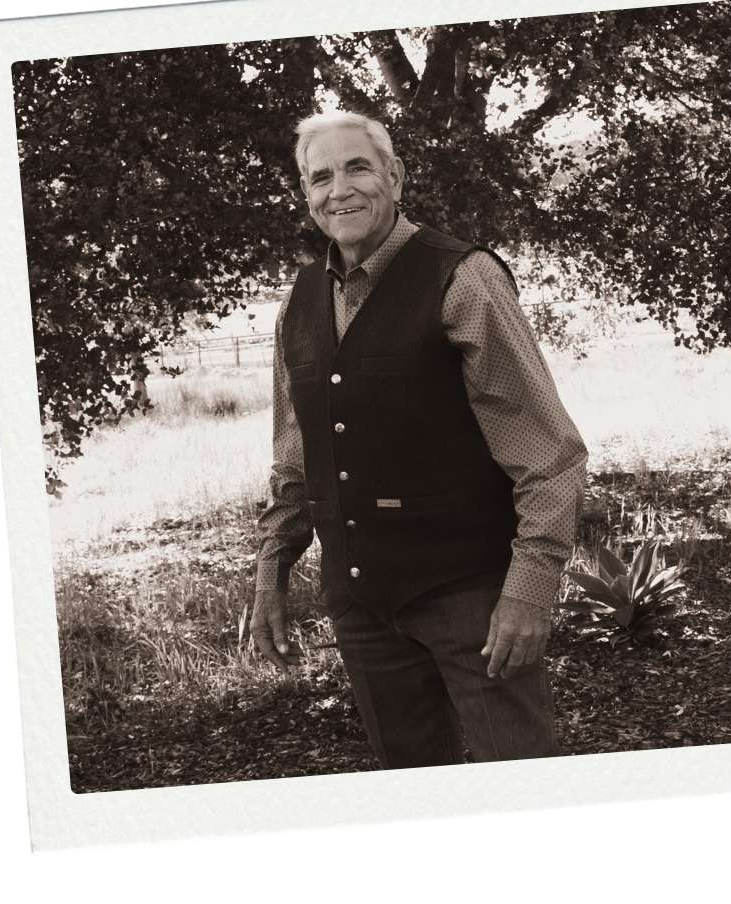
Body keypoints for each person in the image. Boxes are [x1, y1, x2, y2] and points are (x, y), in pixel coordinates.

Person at [251, 110, 587, 769]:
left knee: (522, 784)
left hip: (474, 598)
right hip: (361, 605)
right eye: (320, 176)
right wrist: (272, 571)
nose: (338, 188)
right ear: (306, 194)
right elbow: (295, 456)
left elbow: (551, 457)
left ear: (396, 178)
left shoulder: (464, 279)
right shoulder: (298, 304)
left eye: (358, 167)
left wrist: (530, 589)